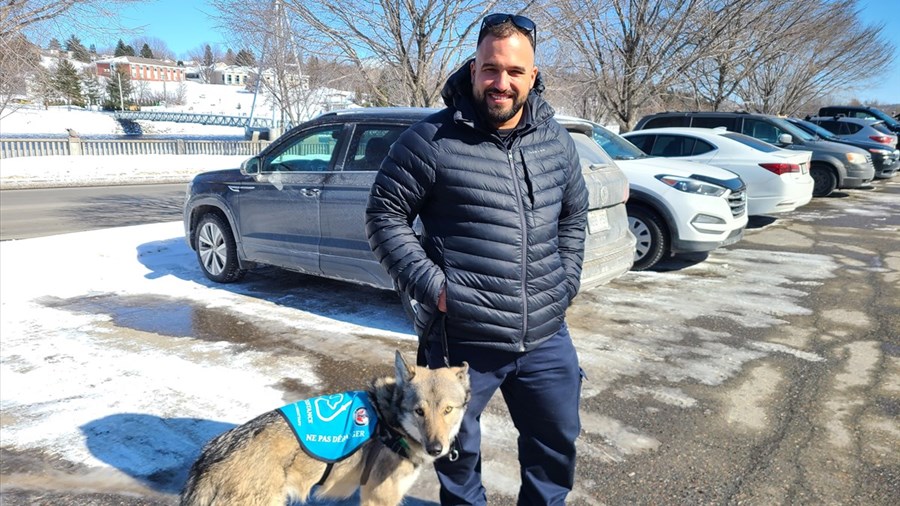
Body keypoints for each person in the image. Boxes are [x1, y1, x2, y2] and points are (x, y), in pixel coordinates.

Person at [365, 12, 588, 505]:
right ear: (473, 70)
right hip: (462, 339)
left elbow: (574, 215)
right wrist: (437, 290)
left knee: (554, 447)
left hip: (547, 336)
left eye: (514, 71)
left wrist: (566, 279)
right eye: (490, 68)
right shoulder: (431, 141)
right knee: (457, 457)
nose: (500, 82)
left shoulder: (556, 142)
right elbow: (384, 215)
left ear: (533, 76)